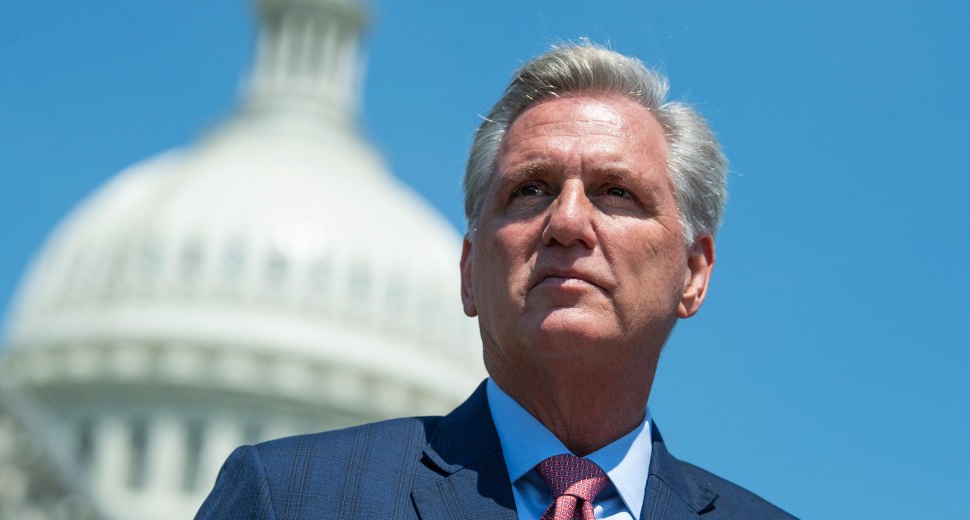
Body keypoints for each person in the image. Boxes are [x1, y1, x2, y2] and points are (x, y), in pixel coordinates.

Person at [196, 43, 795, 519]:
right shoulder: (290, 499)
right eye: (529, 190)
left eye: (617, 192)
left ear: (693, 273)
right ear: (468, 274)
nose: (566, 222)